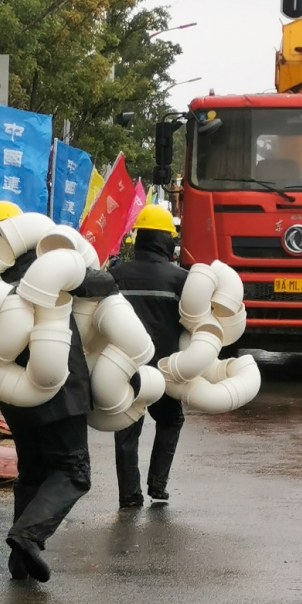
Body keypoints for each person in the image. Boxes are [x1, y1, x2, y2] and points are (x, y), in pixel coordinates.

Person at [0, 200, 116, 583]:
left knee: (33, 472)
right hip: (58, 389)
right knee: (72, 471)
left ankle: (20, 563)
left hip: (13, 395)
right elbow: (102, 283)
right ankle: (28, 536)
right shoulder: (45, 268)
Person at [110, 205, 188, 507]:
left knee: (126, 429)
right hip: (166, 370)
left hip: (124, 369)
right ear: (167, 240)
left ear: (139, 238)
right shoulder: (181, 279)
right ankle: (158, 484)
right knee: (171, 420)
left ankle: (129, 495)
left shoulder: (116, 276)